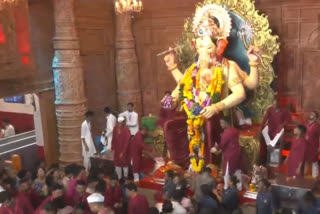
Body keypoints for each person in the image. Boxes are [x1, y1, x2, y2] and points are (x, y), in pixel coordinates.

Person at [211, 116, 241, 189]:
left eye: (222, 123)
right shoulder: (235, 130)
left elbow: (221, 144)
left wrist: (215, 148)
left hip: (229, 156)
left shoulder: (227, 133)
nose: (220, 125)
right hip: (237, 154)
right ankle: (239, 187)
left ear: (226, 123)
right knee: (237, 171)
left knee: (226, 173)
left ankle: (227, 187)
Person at [261, 98, 291, 164]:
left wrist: (283, 124)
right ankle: (269, 143)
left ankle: (272, 144)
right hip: (271, 126)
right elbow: (265, 117)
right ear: (272, 104)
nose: (275, 105)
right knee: (264, 130)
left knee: (281, 131)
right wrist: (262, 125)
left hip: (279, 127)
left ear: (278, 104)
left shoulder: (284, 110)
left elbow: (288, 119)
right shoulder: (270, 109)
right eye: (273, 104)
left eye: (276, 104)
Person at [304, 111, 320, 178]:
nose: (311, 114)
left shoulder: (318, 126)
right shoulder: (305, 124)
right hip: (305, 146)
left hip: (314, 147)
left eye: (313, 114)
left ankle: (315, 179)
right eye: (310, 113)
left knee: (314, 162)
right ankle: (302, 177)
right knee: (304, 161)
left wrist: (319, 148)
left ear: (316, 117)